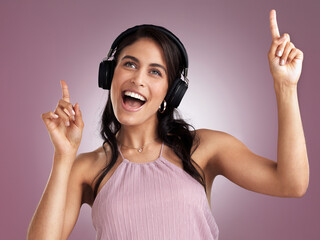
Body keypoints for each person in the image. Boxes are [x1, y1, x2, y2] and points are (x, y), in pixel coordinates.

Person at [27, 9, 309, 240]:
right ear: (109, 75)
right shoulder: (87, 168)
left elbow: (291, 184)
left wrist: (285, 86)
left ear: (170, 93)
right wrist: (64, 155)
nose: (138, 79)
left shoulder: (203, 148)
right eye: (130, 64)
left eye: (155, 72)